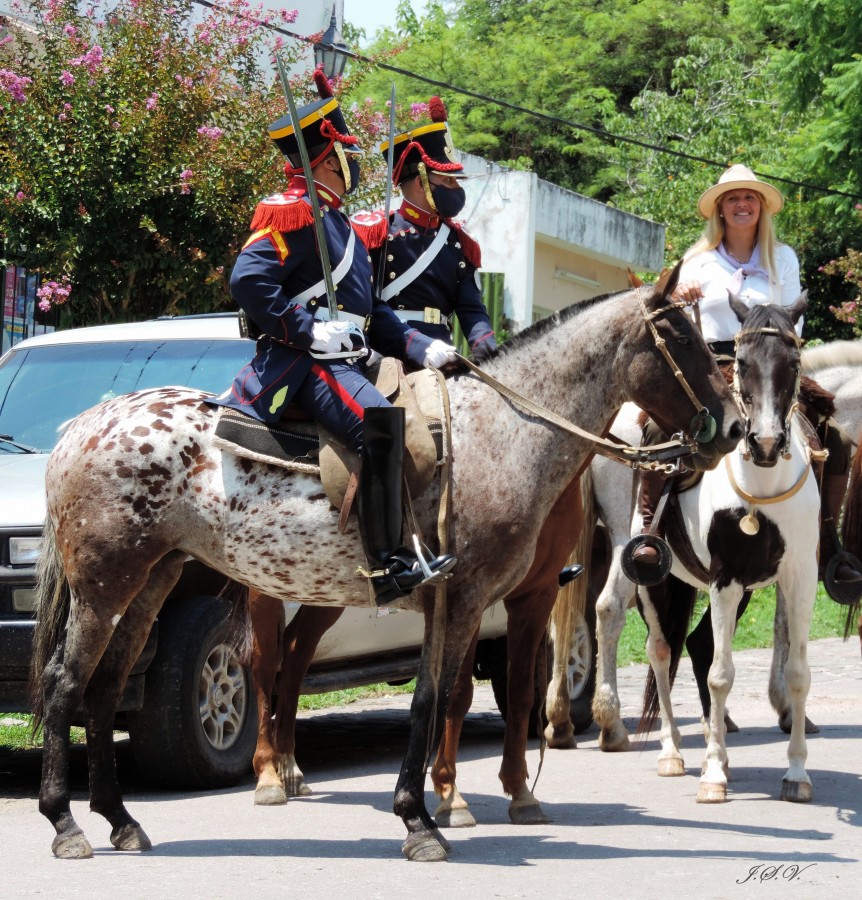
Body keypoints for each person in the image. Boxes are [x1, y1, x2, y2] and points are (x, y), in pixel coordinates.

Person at [212, 69, 456, 605]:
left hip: (346, 359)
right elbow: (248, 281)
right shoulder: (292, 212)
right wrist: (309, 331)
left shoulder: (340, 224)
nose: (355, 161)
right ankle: (386, 563)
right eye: (348, 152)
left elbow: (374, 314)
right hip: (303, 363)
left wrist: (422, 346)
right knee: (381, 425)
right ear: (328, 159)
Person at [633, 164, 862, 585]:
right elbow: (669, 315)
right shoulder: (697, 260)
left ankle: (828, 546)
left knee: (833, 431)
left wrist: (775, 357)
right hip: (711, 366)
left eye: (749, 198)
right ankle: (649, 532)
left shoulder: (784, 259)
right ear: (720, 210)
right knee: (656, 427)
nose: (742, 205)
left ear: (761, 208)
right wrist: (679, 294)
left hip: (773, 366)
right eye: (733, 199)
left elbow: (797, 324)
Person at [350, 96, 497, 363]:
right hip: (389, 349)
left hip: (443, 352)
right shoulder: (376, 232)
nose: (457, 190)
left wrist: (488, 347)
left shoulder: (459, 243)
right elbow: (362, 300)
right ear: (421, 183)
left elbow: (471, 309)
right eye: (448, 181)